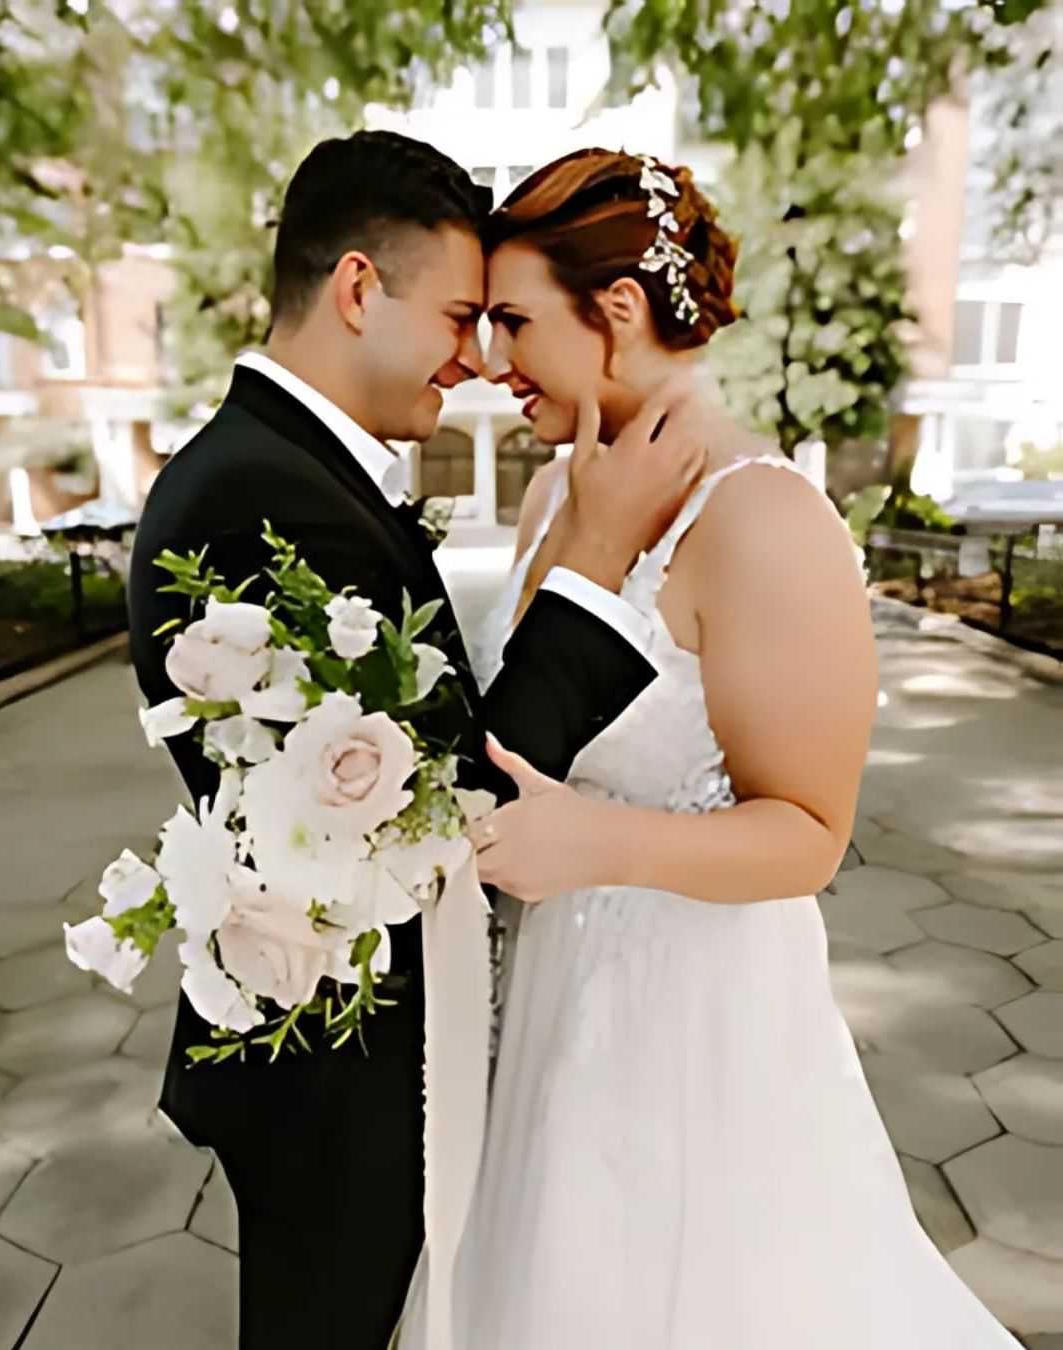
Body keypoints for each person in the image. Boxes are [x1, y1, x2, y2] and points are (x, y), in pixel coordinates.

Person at [397, 148, 1024, 1349]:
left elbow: (809, 836)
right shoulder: (556, 495)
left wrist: (593, 842)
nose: (485, 360)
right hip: (549, 1000)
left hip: (693, 1025)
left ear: (618, 312)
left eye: (515, 321)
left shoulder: (767, 519)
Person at [127, 132, 709, 1350]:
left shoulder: (291, 472)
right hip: (333, 1069)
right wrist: (597, 562)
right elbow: (438, 803)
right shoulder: (254, 496)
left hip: (351, 1047)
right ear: (354, 288)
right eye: (455, 314)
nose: (476, 356)